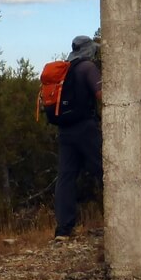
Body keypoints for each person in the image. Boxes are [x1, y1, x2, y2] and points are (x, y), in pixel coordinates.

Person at [53, 35, 103, 241]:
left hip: (65, 129)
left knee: (66, 177)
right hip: (85, 127)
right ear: (89, 50)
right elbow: (101, 95)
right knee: (104, 171)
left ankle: (63, 229)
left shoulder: (65, 69)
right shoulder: (87, 68)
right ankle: (119, 218)